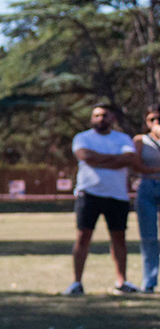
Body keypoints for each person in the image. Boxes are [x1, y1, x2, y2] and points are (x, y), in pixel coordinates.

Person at [66, 103, 139, 295]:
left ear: (112, 118)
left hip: (117, 195)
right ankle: (76, 283)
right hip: (89, 194)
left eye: (104, 115)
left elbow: (128, 159)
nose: (100, 119)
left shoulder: (123, 138)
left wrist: (99, 160)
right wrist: (114, 159)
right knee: (83, 237)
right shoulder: (82, 138)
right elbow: (85, 156)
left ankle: (121, 281)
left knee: (119, 238)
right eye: (96, 115)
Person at [134, 107, 160, 294]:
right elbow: (136, 165)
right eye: (152, 119)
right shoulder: (140, 140)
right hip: (147, 188)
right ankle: (149, 281)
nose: (156, 123)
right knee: (149, 238)